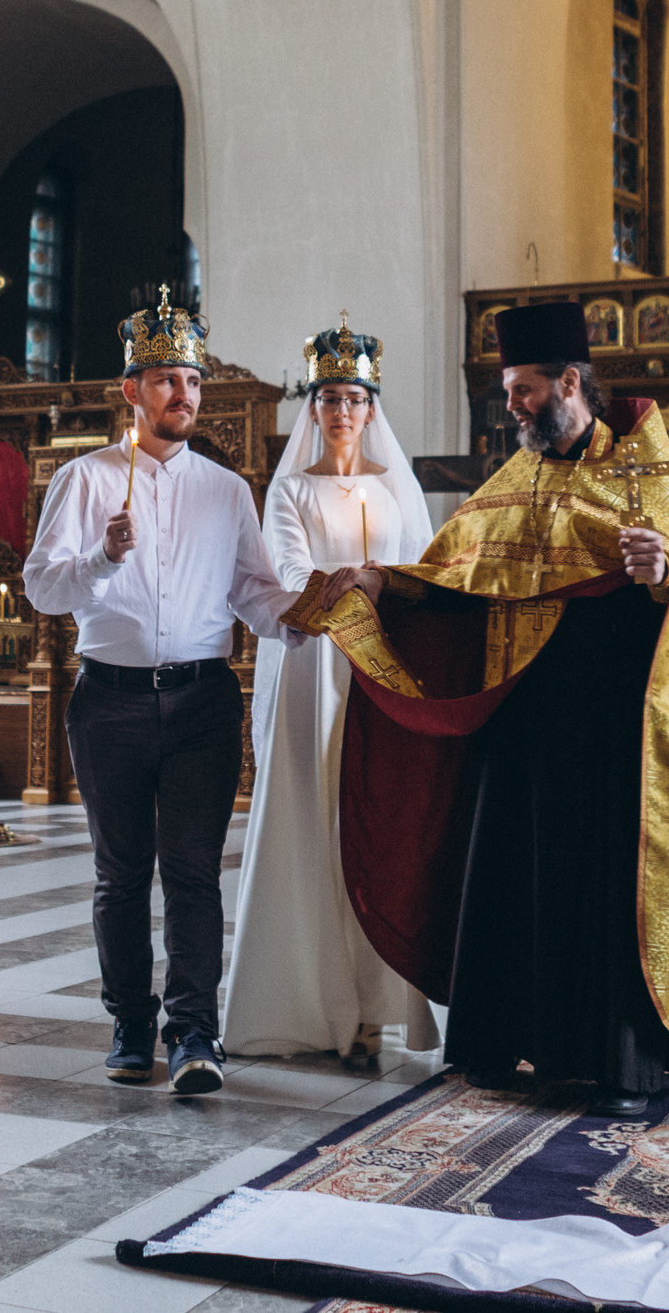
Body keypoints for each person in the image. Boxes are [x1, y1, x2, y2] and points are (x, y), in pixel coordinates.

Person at [292, 299, 669, 1119]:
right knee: (508, 873)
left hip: (610, 729)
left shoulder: (641, 469)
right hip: (520, 716)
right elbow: (455, 575)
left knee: (603, 884)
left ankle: (614, 1066)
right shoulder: (515, 478)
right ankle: (499, 1040)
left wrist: (662, 574)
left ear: (570, 383)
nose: (513, 406)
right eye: (508, 391)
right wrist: (381, 581)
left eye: (524, 390)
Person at [21, 289, 311, 1096]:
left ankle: (193, 1031)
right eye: (166, 380)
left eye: (192, 380)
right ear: (132, 390)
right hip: (108, 700)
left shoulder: (227, 490)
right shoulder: (84, 479)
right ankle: (129, 1021)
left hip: (201, 702)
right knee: (120, 874)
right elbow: (42, 585)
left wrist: (313, 616)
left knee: (191, 871)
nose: (184, 393)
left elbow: (255, 594)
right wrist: (101, 560)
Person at [223, 318, 439, 1070]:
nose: (341, 409)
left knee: (377, 821)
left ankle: (378, 1004)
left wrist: (381, 581)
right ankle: (307, 1002)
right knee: (310, 819)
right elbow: (288, 572)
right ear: (312, 408)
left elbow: (422, 572)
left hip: (382, 669)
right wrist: (345, 587)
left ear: (372, 409)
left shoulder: (397, 488)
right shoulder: (290, 489)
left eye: (353, 397)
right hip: (313, 669)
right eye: (328, 397)